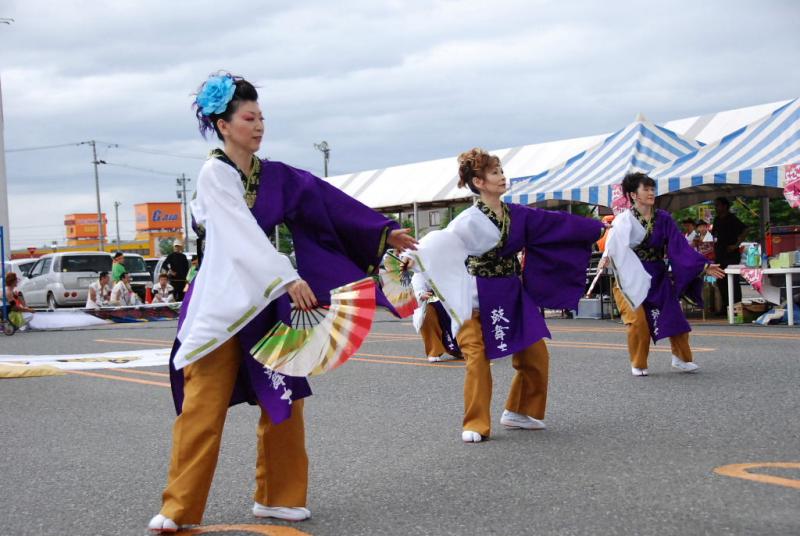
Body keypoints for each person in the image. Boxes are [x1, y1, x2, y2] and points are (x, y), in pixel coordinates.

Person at [148, 72, 416, 533]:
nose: (258, 126)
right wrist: (288, 277)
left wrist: (381, 230)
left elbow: (325, 202)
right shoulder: (215, 173)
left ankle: (278, 497)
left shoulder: (273, 175)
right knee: (203, 406)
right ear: (224, 124)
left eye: (261, 117)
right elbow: (239, 234)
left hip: (267, 302)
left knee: (283, 399)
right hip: (221, 304)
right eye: (248, 118)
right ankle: (179, 508)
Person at [404, 148, 604, 443]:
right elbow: (436, 246)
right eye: (495, 172)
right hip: (474, 296)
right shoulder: (466, 221)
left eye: (501, 171)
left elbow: (554, 222)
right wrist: (413, 258)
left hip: (510, 292)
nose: (502, 177)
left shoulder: (517, 214)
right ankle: (475, 422)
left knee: (535, 353)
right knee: (477, 358)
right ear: (479, 181)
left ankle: (519, 412)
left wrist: (596, 226)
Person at [599, 173, 725, 376]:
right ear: (633, 194)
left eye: (652, 189)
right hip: (631, 278)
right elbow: (614, 246)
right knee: (638, 322)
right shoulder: (624, 220)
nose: (651, 193)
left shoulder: (663, 218)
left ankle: (681, 359)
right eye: (646, 189)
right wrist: (607, 256)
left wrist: (702, 265)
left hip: (657, 275)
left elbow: (679, 246)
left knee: (675, 318)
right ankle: (638, 363)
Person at [411, 272, 461, 362]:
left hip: (449, 300)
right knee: (427, 317)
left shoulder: (445, 267)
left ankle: (461, 348)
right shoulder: (419, 273)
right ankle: (434, 351)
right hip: (429, 302)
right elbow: (418, 290)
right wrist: (421, 295)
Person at [712, 197, 748, 309]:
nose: (716, 208)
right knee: (721, 280)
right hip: (720, 253)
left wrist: (736, 245)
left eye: (718, 205)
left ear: (725, 206)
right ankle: (725, 306)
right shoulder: (717, 219)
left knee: (732, 280)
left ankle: (736, 306)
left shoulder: (732, 219)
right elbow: (715, 235)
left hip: (731, 254)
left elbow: (746, 230)